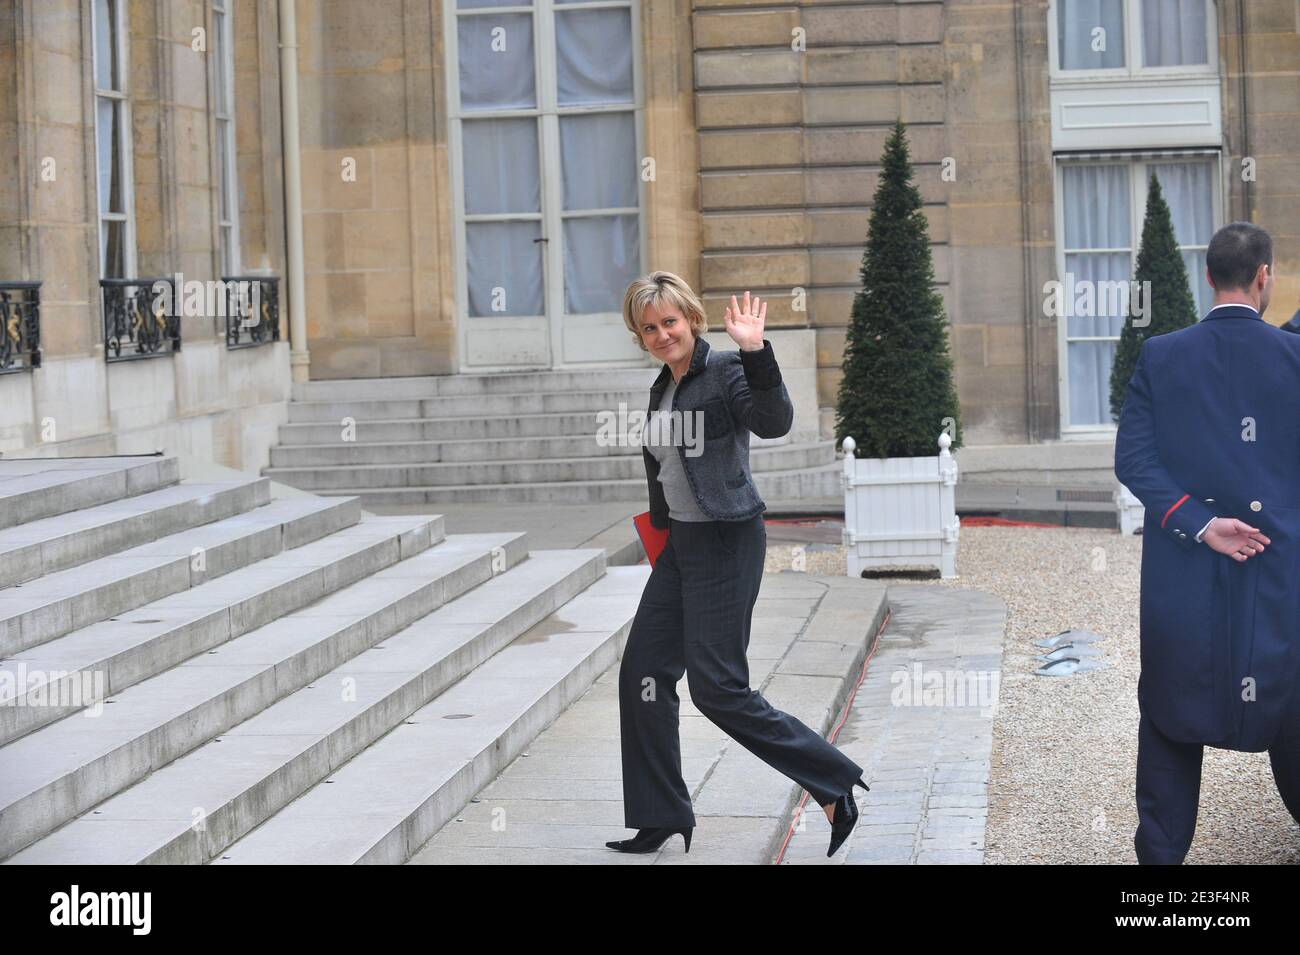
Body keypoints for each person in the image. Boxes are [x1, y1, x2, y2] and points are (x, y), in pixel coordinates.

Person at [605, 271, 868, 857]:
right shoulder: (662, 387)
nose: (660, 334)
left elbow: (773, 421)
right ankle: (660, 813)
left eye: (669, 322)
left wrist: (755, 351)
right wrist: (660, 536)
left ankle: (833, 783)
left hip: (727, 542)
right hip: (680, 550)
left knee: (718, 690)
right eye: (648, 327)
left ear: (691, 320)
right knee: (642, 675)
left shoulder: (724, 370)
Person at [1114, 221, 1300, 864]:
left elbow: (1134, 461)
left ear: (1208, 277)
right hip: (1280, 571)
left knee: (1170, 713)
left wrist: (1199, 523)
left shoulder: (1162, 356)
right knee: (1291, 703)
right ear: (1264, 277)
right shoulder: (1293, 358)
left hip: (1185, 572)